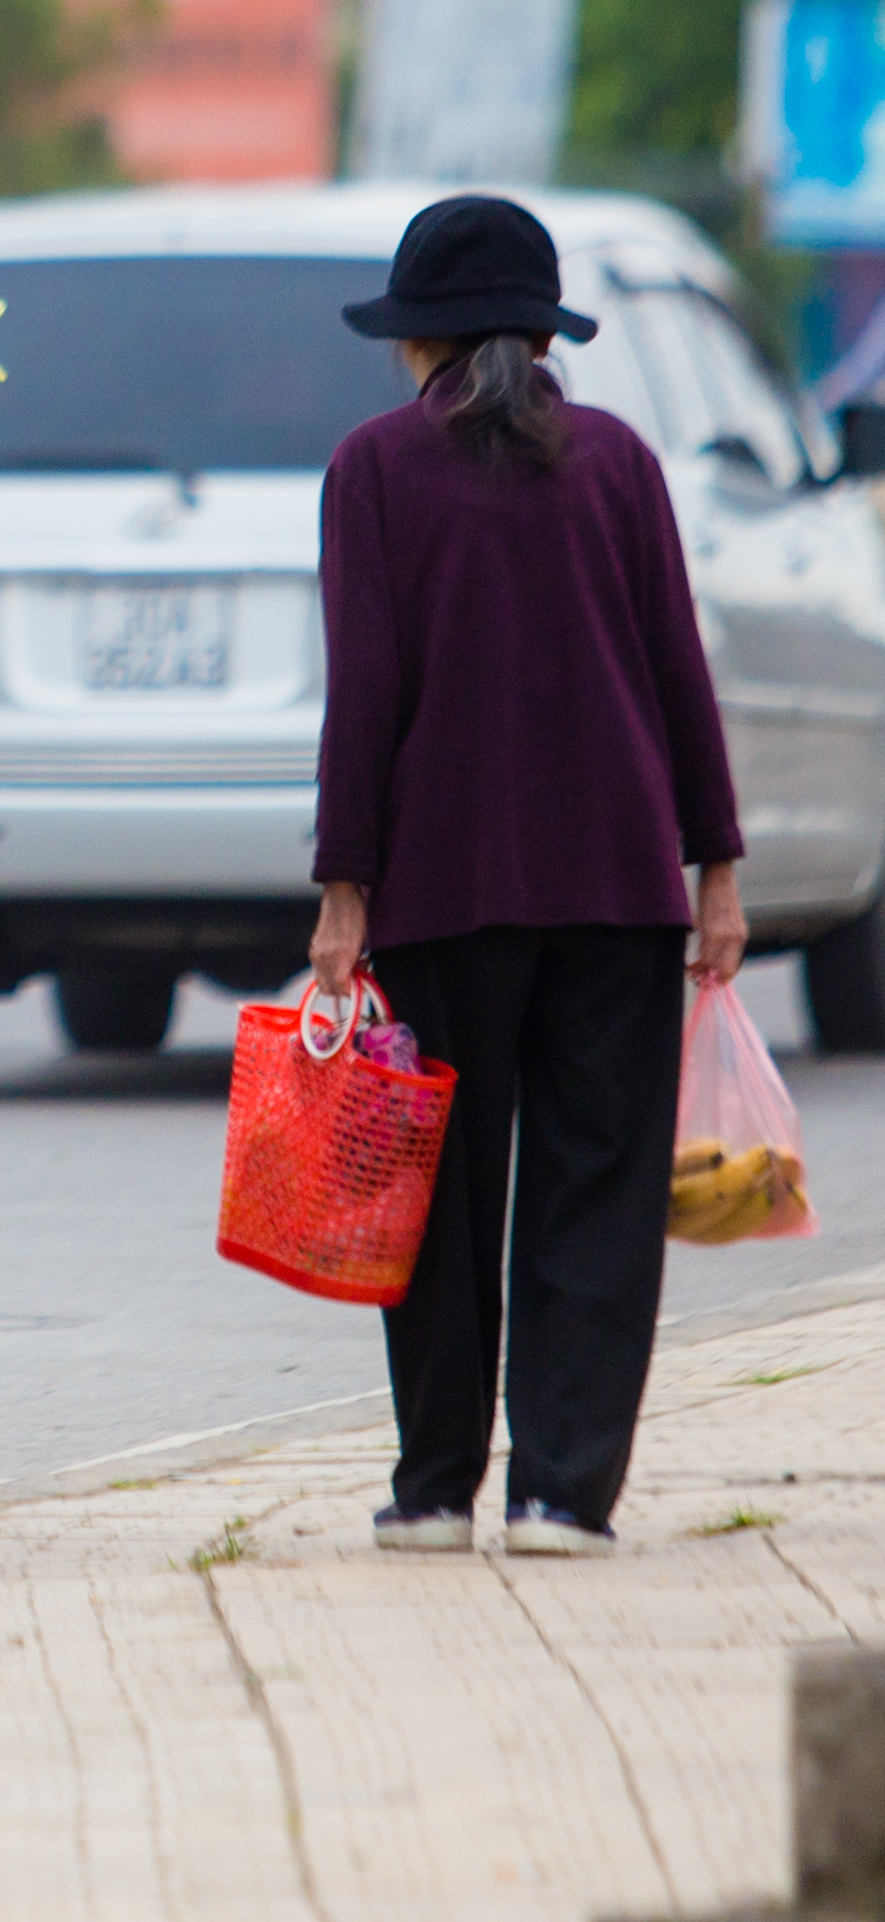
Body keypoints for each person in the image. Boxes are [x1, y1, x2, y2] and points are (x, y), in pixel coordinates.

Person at [311, 193, 747, 1560]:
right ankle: (561, 1488)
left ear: (416, 339)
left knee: (432, 1189)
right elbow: (677, 667)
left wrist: (341, 887)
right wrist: (714, 865)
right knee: (594, 1184)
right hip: (616, 882)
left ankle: (434, 1485)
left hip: (439, 883)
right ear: (536, 333)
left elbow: (361, 693)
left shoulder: (372, 468)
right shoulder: (616, 461)